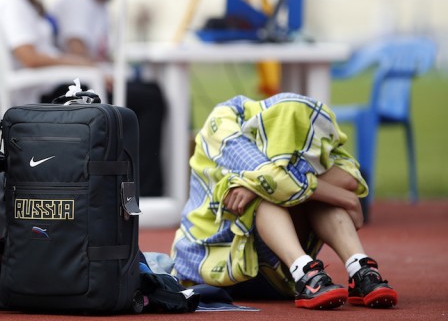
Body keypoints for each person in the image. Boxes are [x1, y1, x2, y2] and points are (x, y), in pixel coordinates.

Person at [170, 93, 398, 310]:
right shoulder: (223, 122)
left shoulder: (309, 122)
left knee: (280, 191)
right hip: (211, 270)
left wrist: (267, 182)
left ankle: (359, 268)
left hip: (279, 276)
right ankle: (305, 272)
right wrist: (345, 199)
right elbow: (269, 176)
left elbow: (349, 179)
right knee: (266, 197)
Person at [51, 0, 167, 197]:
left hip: (89, 79)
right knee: (153, 99)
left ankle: (146, 182)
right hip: (72, 87)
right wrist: (103, 72)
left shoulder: (99, 6)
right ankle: (146, 187)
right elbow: (76, 49)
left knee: (152, 92)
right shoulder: (77, 1)